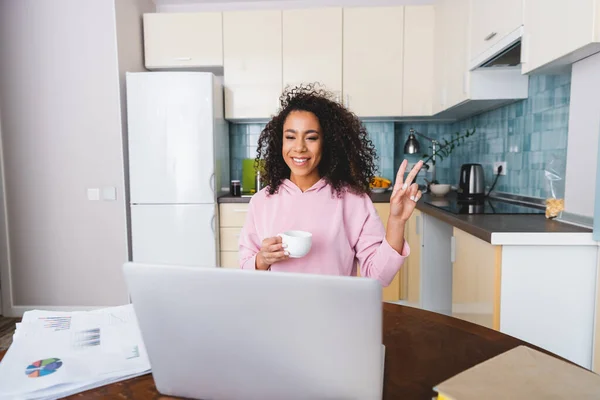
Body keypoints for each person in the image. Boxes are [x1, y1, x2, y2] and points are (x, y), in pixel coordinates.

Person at [238, 84, 423, 287]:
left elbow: (378, 277)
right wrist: (262, 259)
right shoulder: (262, 201)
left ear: (327, 143)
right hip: (277, 313)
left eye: (311, 138)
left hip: (335, 313)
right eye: (290, 137)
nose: (299, 147)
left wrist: (396, 221)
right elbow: (246, 271)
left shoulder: (353, 200)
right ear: (279, 142)